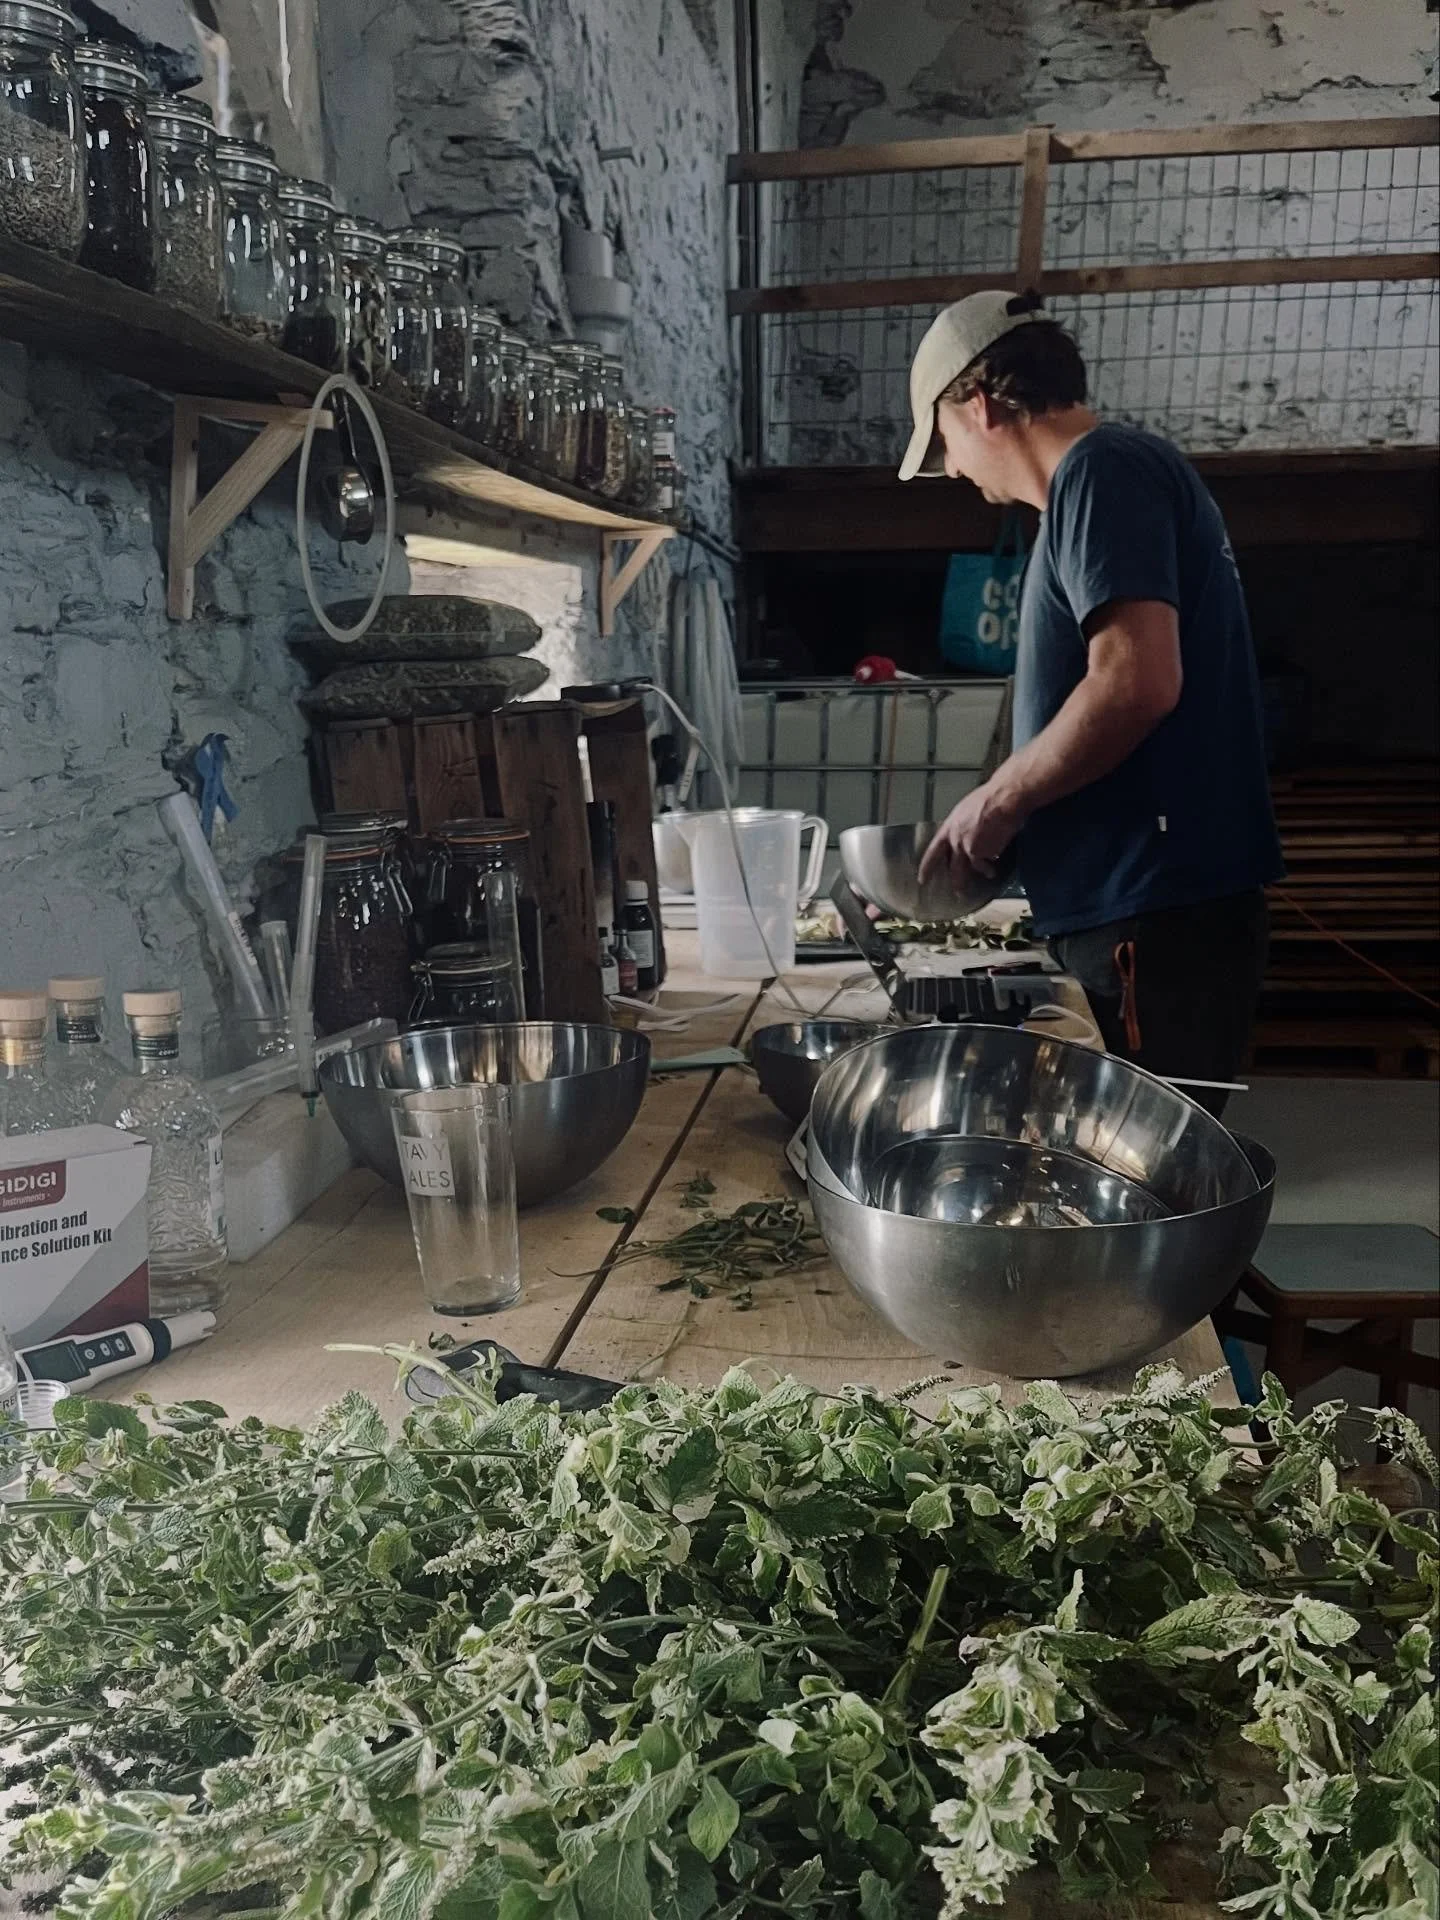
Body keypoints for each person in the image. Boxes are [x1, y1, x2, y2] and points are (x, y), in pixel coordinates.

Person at [898, 290, 1283, 1115]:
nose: (955, 471)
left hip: (1154, 911)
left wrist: (994, 802)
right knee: (1147, 1186)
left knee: (1151, 1196)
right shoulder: (1102, 483)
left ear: (982, 403)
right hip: (1145, 907)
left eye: (944, 446)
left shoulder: (1101, 471)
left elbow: (1135, 683)